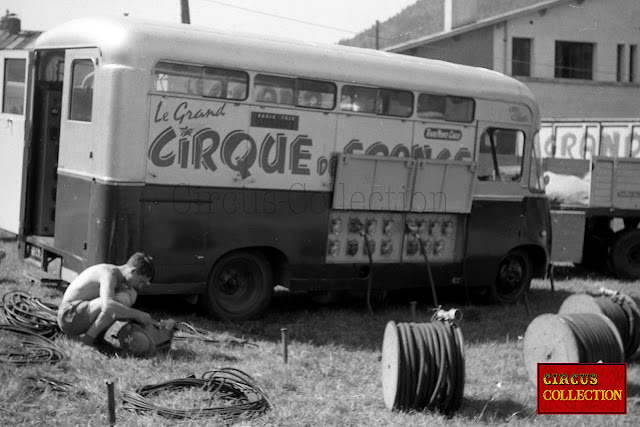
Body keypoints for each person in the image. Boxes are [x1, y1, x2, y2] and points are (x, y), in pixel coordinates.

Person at [57, 252, 155, 347]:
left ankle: (97, 339)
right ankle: (87, 340)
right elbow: (108, 306)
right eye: (141, 281)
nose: (140, 286)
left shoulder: (119, 279)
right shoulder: (108, 273)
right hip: (68, 317)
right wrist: (138, 314)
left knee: (130, 295)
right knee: (119, 300)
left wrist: (146, 321)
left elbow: (119, 312)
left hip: (80, 314)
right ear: (133, 271)